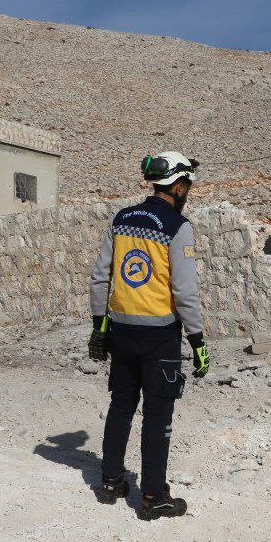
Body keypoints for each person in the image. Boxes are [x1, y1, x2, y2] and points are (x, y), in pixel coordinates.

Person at [87, 152, 210, 519]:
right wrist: (198, 341)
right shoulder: (177, 226)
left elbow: (99, 276)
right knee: (157, 417)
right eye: (186, 185)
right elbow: (185, 291)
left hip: (120, 331)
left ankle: (110, 482)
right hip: (159, 337)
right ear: (178, 185)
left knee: (121, 406)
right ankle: (154, 497)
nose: (188, 192)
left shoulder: (121, 219)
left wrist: (99, 327)